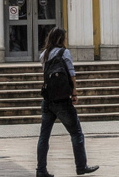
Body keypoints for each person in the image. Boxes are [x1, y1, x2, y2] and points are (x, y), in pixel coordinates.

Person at [36, 28, 98, 177]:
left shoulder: (43, 55)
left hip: (48, 99)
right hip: (62, 101)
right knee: (76, 133)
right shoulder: (64, 53)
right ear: (61, 39)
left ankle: (41, 170)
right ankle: (81, 166)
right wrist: (74, 93)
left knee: (44, 136)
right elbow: (71, 74)